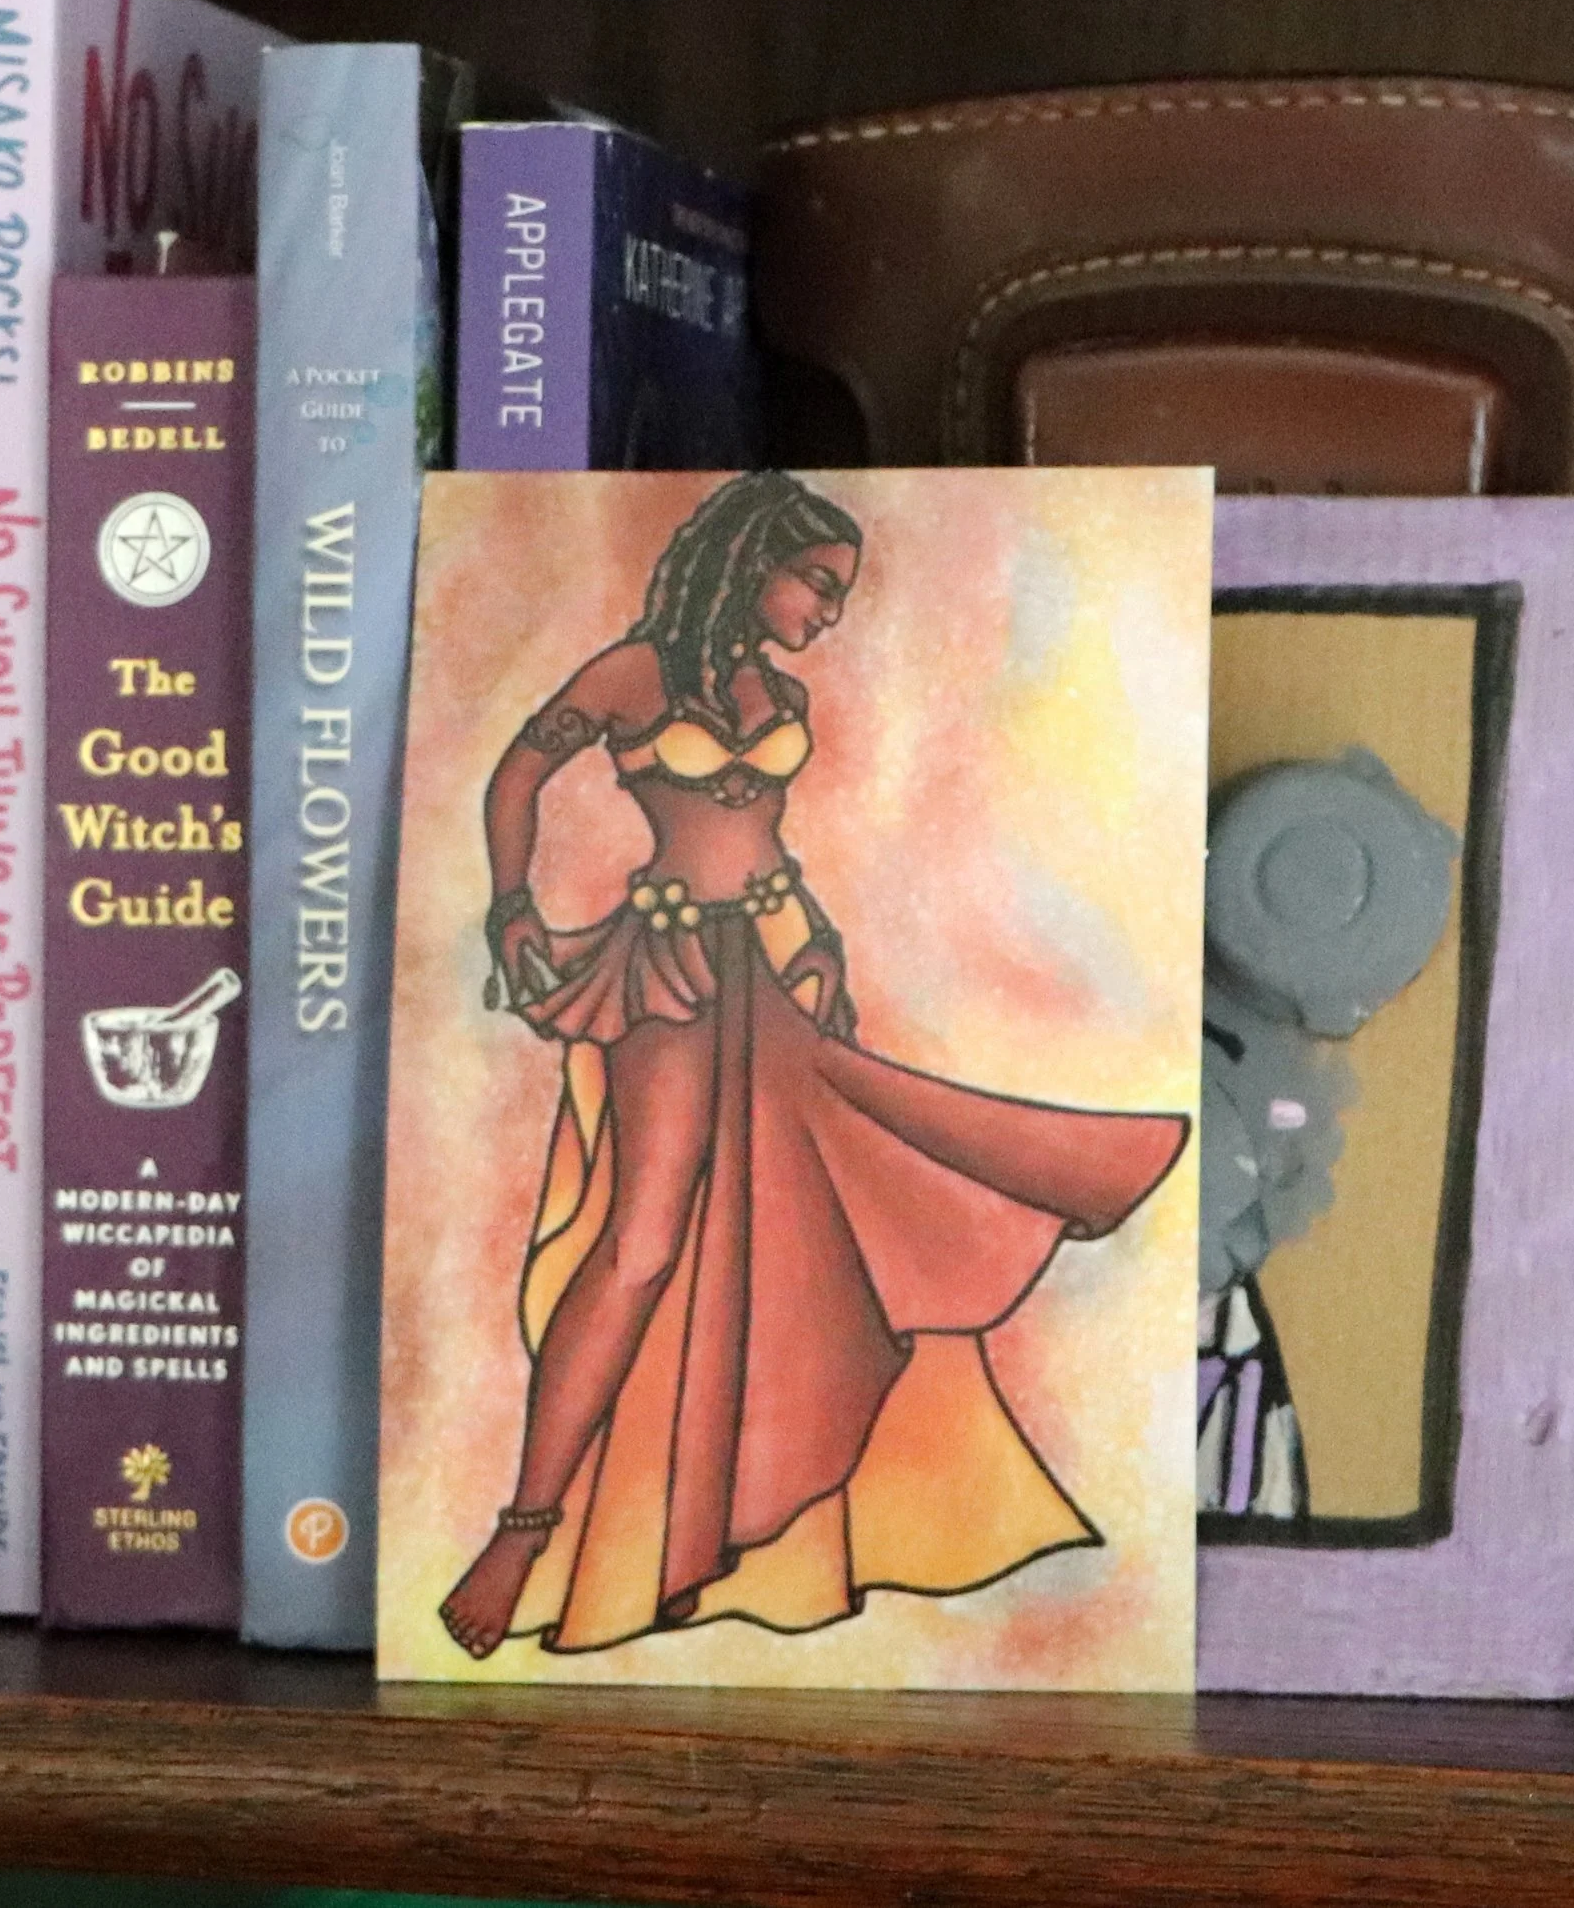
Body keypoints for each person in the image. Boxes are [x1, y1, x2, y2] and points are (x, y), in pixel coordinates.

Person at [440, 472, 1191, 1659]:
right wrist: (510, 913)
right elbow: (517, 778)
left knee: (803, 1221)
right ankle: (523, 1528)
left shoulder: (777, 692)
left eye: (842, 594)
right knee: (642, 1246)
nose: (830, 612)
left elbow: (765, 852)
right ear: (753, 565)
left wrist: (817, 946)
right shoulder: (634, 675)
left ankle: (691, 1533)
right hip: (670, 978)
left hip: (772, 971)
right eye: (819, 584)